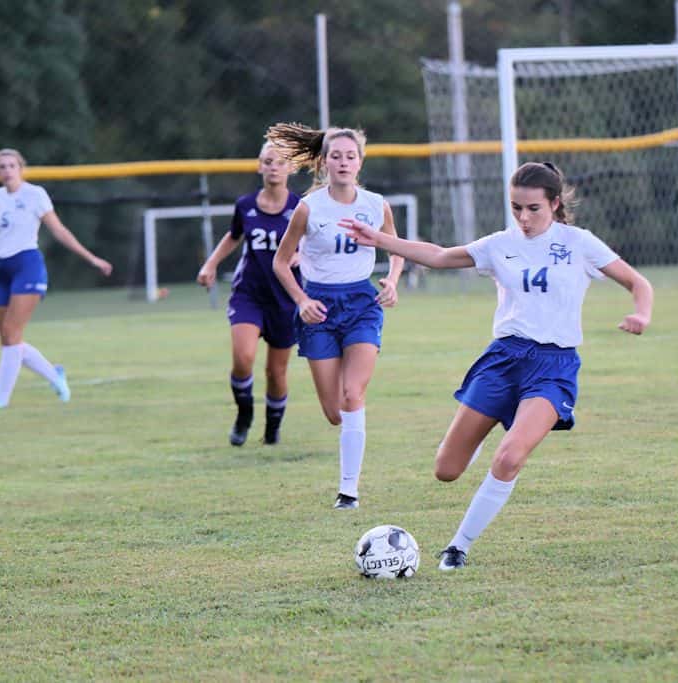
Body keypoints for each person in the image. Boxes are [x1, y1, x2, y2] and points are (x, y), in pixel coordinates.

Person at [345, 161, 653, 570]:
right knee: (446, 470)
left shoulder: (579, 243)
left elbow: (638, 282)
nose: (524, 217)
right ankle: (483, 433)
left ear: (554, 204)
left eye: (533, 208)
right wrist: (381, 239)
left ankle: (458, 546)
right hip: (504, 360)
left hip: (554, 367)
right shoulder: (499, 244)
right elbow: (438, 256)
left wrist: (642, 314)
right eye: (516, 208)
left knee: (509, 457)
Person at [266, 122, 405, 510]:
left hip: (362, 305)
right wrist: (301, 301)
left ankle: (348, 492)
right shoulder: (309, 208)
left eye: (350, 156)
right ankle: (352, 430)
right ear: (324, 162)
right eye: (336, 156)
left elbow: (396, 249)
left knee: (352, 394)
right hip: (320, 309)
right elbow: (280, 263)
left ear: (360, 162)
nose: (343, 162)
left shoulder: (376, 205)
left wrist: (392, 281)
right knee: (334, 413)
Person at [0, 148, 113, 409]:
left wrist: (91, 258)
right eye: (1, 167)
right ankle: (55, 376)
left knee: (12, 334)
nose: (7, 170)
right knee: (8, 340)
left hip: (27, 266)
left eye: (12, 165)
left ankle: (0, 400)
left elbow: (59, 230)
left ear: (21, 168)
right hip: (2, 268)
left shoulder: (35, 194)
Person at [196, 142, 302, 446]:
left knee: (276, 372)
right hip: (249, 295)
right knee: (243, 358)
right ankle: (244, 415)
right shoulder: (245, 205)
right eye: (268, 161)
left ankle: (272, 429)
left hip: (285, 298)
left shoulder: (301, 207)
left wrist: (304, 256)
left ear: (291, 168)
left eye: (279, 162)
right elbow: (234, 236)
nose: (273, 167)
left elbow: (317, 241)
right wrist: (211, 264)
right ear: (259, 166)